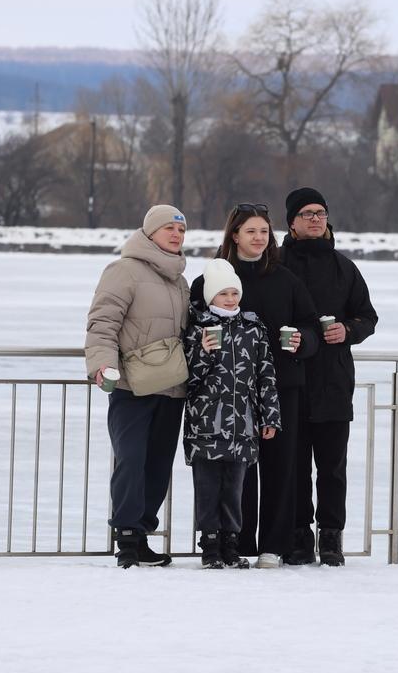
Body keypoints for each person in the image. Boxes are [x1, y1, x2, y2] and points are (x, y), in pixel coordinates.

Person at [188, 203, 320, 568]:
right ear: (234, 235)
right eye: (251, 231)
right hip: (226, 394)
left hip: (280, 387)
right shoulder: (207, 283)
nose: (259, 238)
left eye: (264, 231)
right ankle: (237, 542)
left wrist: (302, 342)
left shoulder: (286, 279)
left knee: (281, 468)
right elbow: (191, 328)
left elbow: (311, 327)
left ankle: (273, 546)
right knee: (235, 472)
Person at [84, 204, 191, 568]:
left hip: (172, 386)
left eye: (181, 231)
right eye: (169, 229)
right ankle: (126, 536)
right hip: (131, 385)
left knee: (158, 464)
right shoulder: (123, 271)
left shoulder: (180, 280)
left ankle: (142, 533)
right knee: (130, 459)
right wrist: (102, 366)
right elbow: (102, 323)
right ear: (149, 233)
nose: (176, 235)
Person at [279, 187, 378, 566]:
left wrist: (348, 331)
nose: (316, 219)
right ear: (291, 222)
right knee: (295, 466)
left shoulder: (344, 267)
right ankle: (299, 535)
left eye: (321, 212)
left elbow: (367, 317)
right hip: (290, 378)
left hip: (334, 381)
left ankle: (332, 536)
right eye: (307, 213)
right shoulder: (278, 263)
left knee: (333, 467)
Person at [183, 259, 283, 569]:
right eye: (223, 293)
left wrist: (270, 416)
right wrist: (203, 352)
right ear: (211, 296)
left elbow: (266, 375)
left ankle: (230, 541)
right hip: (207, 425)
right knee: (208, 486)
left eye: (234, 293)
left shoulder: (253, 328)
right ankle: (210, 543)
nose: (230, 299)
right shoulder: (197, 327)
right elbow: (188, 379)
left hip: (243, 425)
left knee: (234, 488)